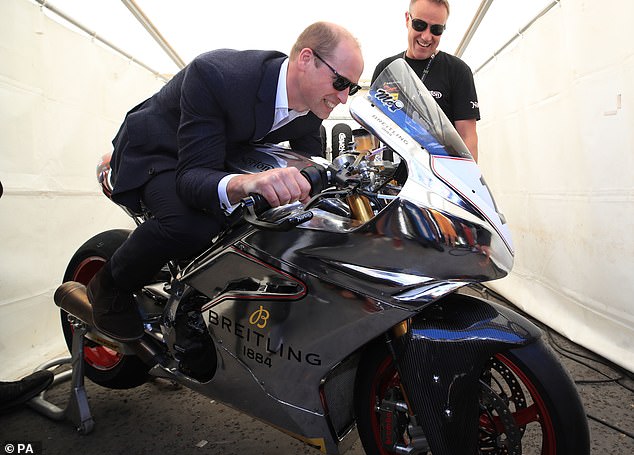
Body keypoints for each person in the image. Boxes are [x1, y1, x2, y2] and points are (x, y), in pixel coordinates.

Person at [87, 22, 364, 341]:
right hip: (160, 150)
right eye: (340, 82)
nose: (344, 98)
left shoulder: (313, 107)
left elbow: (311, 167)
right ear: (305, 59)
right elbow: (191, 180)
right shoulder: (218, 75)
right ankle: (108, 286)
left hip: (216, 152)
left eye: (352, 88)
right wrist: (252, 183)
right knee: (191, 226)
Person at [372, 0, 480, 161]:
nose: (426, 36)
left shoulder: (458, 70)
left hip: (438, 177)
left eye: (436, 29)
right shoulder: (386, 68)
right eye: (419, 25)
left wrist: (469, 181)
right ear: (407, 19)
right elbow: (372, 128)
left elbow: (468, 137)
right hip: (392, 178)